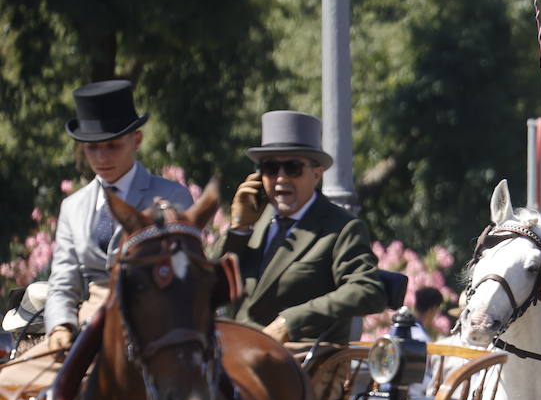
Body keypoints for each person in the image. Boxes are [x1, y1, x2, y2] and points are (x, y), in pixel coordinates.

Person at [46, 80, 193, 350]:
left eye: (112, 145)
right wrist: (60, 325)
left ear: (136, 140)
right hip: (87, 330)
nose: (102, 157)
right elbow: (62, 280)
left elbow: (182, 277)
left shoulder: (173, 197)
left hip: (156, 334)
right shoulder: (73, 206)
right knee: (13, 384)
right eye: (92, 148)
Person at [220, 111, 387, 345]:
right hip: (237, 351)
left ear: (317, 174)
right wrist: (239, 227)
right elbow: (208, 286)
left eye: (293, 168)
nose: (280, 178)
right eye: (270, 168)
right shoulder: (254, 220)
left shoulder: (341, 227)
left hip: (296, 361)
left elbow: (368, 290)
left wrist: (291, 322)